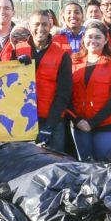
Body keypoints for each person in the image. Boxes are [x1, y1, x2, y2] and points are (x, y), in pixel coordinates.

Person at [70, 20, 111, 161]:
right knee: (85, 168)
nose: (93, 41)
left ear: (105, 40)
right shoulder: (73, 61)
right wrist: (77, 120)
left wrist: (93, 122)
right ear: (83, 38)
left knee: (106, 168)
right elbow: (66, 95)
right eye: (90, 37)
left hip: (107, 126)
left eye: (98, 37)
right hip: (79, 125)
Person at [30, 11, 72, 154]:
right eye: (36, 24)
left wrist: (50, 124)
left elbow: (64, 92)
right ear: (29, 26)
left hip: (51, 121)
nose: (40, 28)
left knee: (52, 165)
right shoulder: (18, 50)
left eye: (44, 24)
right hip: (22, 120)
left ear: (51, 26)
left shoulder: (62, 55)